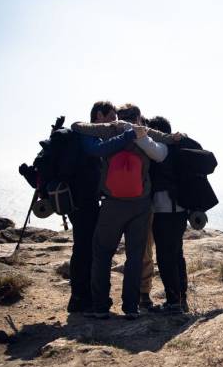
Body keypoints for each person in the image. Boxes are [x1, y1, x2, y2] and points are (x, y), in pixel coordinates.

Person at [71, 103, 174, 319]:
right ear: (138, 118)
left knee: (102, 254)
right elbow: (162, 149)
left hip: (112, 204)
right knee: (135, 256)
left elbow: (78, 127)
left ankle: (100, 307)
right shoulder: (143, 135)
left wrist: (113, 127)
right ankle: (131, 307)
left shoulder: (111, 131)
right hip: (140, 205)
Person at [67, 101, 136, 314]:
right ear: (99, 115)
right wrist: (125, 136)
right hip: (81, 201)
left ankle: (83, 297)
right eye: (112, 117)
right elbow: (96, 151)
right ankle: (80, 299)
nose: (114, 122)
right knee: (84, 249)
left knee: (87, 248)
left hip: (87, 200)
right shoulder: (87, 132)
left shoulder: (94, 133)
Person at [140, 116, 190, 313]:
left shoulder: (161, 151)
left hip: (164, 211)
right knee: (177, 255)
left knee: (166, 257)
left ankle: (173, 302)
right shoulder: (176, 151)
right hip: (180, 210)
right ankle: (181, 298)